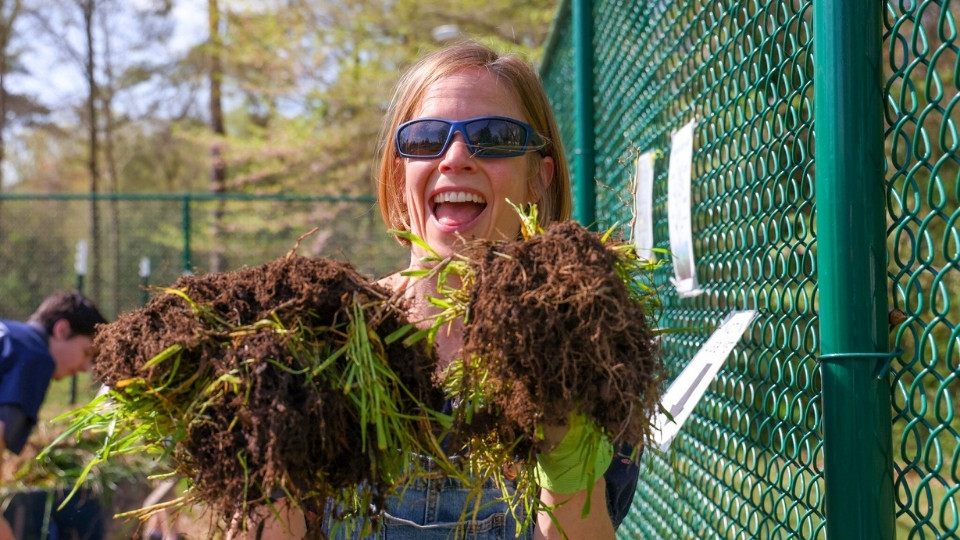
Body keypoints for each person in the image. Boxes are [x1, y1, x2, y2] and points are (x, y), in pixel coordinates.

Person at [245, 41, 640, 539]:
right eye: (427, 138)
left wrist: (567, 456)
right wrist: (260, 468)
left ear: (538, 178)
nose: (456, 157)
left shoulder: (587, 345)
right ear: (398, 174)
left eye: (494, 137)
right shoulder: (321, 337)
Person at [0, 290, 107, 540]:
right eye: (86, 353)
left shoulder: (9, 334)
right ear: (61, 330)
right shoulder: (35, 356)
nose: (84, 368)